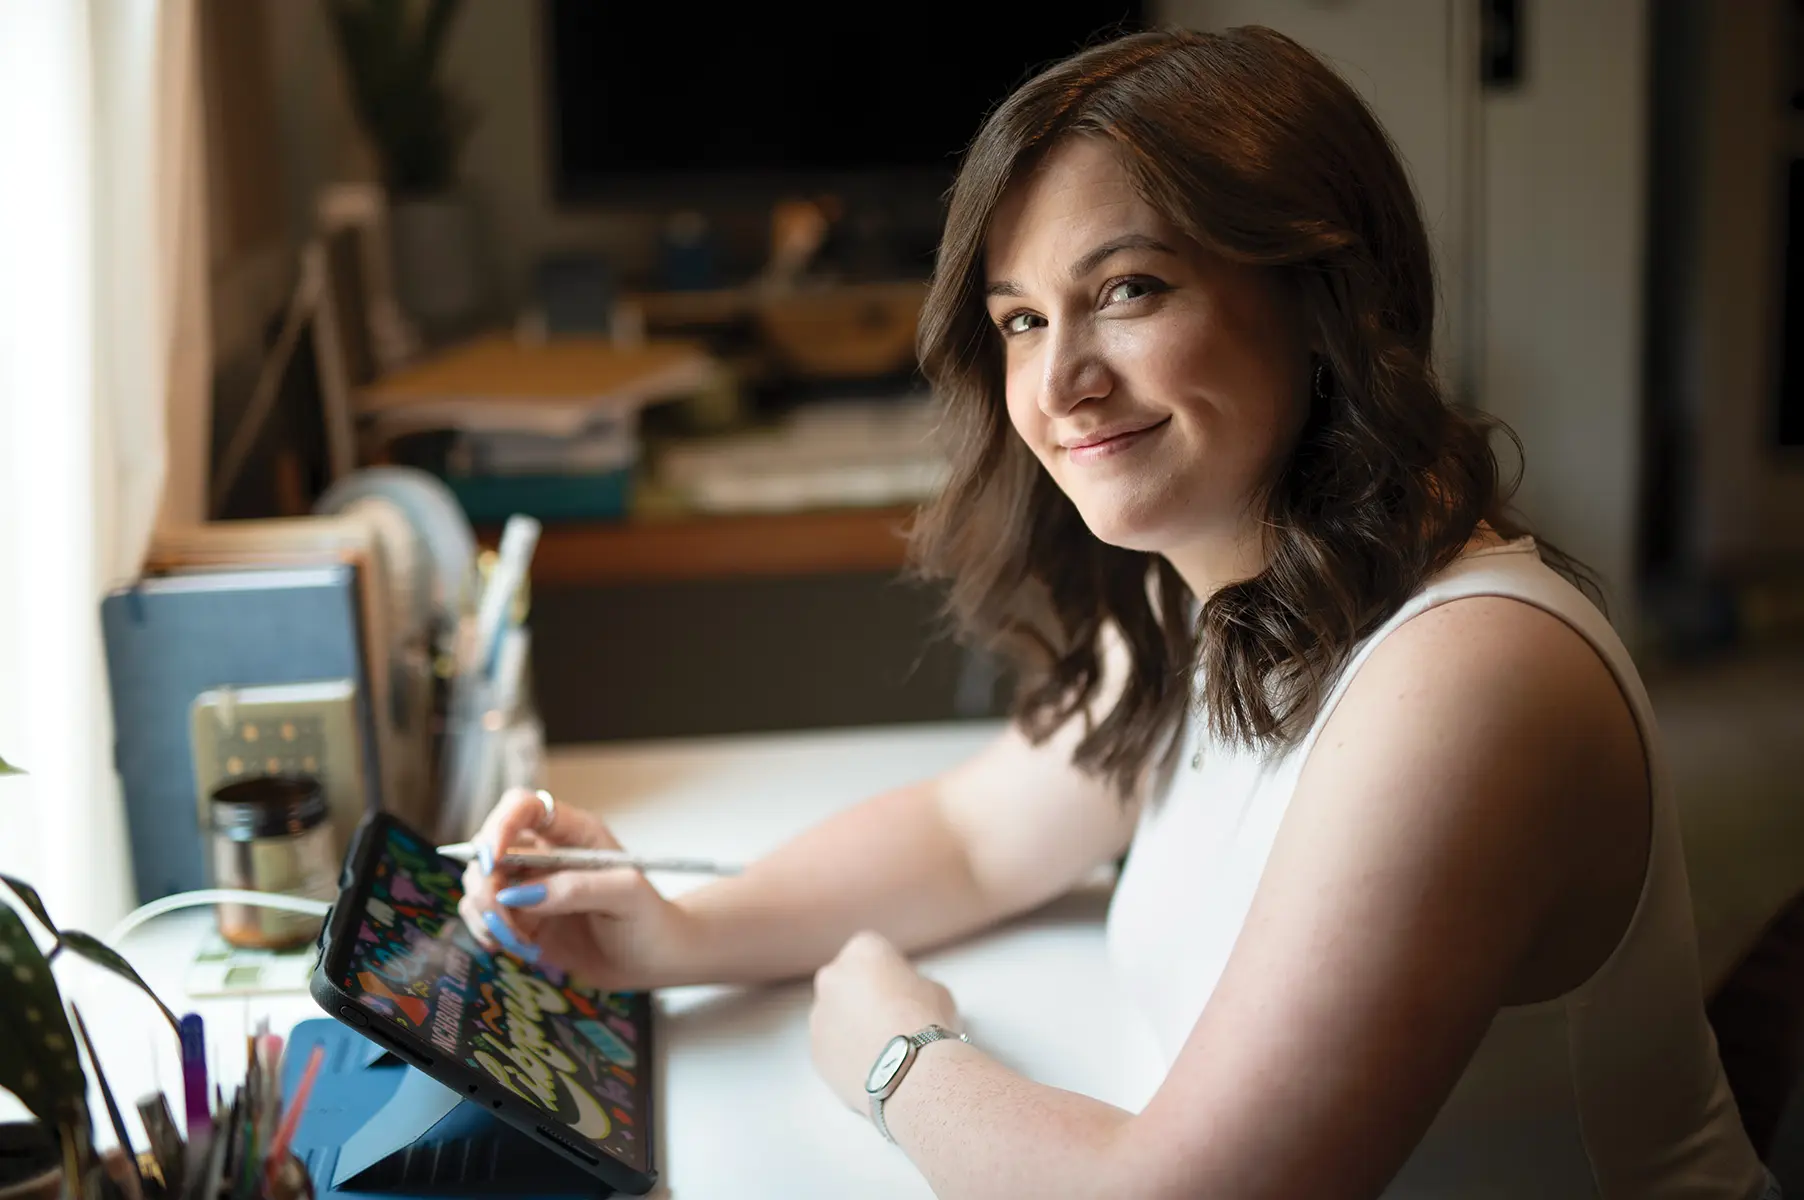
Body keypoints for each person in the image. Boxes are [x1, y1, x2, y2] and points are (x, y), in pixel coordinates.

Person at [460, 26, 1775, 1199]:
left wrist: (891, 1055)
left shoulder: (1470, 677)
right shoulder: (1211, 594)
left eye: (1130, 290)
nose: (1062, 382)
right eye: (1023, 319)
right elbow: (974, 834)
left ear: (1327, 296)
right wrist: (673, 933)